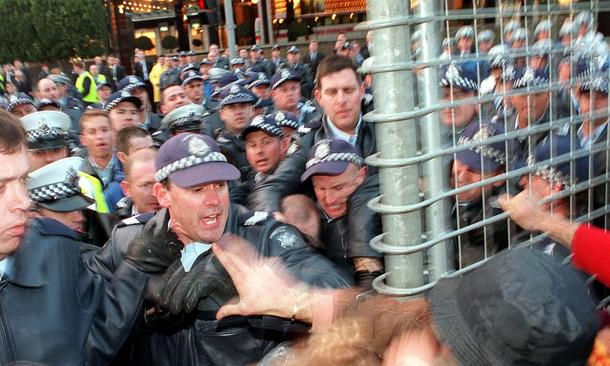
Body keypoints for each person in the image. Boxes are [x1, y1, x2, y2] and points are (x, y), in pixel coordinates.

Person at [91, 132, 348, 365]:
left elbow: (344, 301)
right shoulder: (128, 243)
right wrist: (140, 311)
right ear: (163, 194)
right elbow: (86, 338)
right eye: (198, 189)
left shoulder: (264, 238)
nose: (214, 200)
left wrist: (247, 287)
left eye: (220, 185)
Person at [0, 101, 167, 365]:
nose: (23, 201)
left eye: (22, 181)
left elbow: (98, 338)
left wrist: (139, 273)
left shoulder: (55, 249)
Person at [211, 236, 599, 366]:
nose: (440, 341)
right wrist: (292, 299)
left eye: (459, 350)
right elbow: (388, 316)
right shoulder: (432, 327)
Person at [248, 55, 377, 213]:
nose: (341, 100)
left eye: (348, 90)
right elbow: (269, 188)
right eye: (332, 92)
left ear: (362, 90)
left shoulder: (382, 127)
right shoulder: (309, 140)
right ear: (319, 97)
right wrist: (275, 221)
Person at [301, 139, 383, 287]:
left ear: (361, 176)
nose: (329, 199)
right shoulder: (313, 218)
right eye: (320, 188)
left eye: (338, 188)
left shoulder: (383, 210)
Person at [450, 122, 514, 267]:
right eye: (460, 160)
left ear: (499, 177)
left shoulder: (494, 222)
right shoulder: (438, 183)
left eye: (476, 169)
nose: (462, 175)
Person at [216, 84, 257, 181]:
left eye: (243, 106)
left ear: (251, 110)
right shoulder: (218, 148)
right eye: (232, 107)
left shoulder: (265, 137)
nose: (238, 112)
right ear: (222, 114)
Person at [117, 148, 160, 219]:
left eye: (161, 184)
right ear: (127, 189)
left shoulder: (182, 224)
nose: (155, 194)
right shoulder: (112, 226)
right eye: (146, 185)